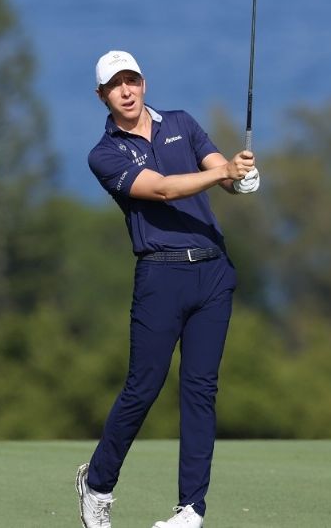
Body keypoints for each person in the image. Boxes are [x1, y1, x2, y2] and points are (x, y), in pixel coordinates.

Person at [76, 50, 259, 528]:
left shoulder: (182, 122)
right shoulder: (105, 154)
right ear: (102, 96)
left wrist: (242, 176)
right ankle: (97, 482)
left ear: (144, 82)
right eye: (116, 85)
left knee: (201, 390)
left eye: (132, 80)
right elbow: (160, 189)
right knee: (143, 387)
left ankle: (190, 510)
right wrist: (222, 174)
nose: (127, 90)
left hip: (214, 273)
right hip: (161, 276)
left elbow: (221, 171)